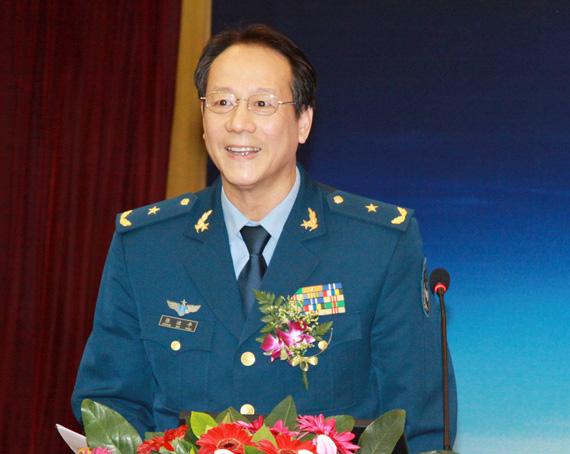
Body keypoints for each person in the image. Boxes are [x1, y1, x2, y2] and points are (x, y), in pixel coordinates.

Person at [72, 24, 457, 453]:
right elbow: (111, 408)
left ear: (303, 121)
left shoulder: (377, 246)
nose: (239, 123)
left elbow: (421, 425)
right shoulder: (145, 246)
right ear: (203, 121)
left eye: (262, 103)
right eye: (222, 102)